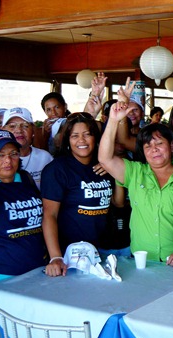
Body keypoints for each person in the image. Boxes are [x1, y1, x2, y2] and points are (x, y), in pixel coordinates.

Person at [99, 100, 173, 265]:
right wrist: (113, 120)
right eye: (147, 146)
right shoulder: (135, 172)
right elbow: (105, 159)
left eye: (160, 144)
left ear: (172, 146)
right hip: (141, 260)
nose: (154, 149)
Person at [41, 112, 114, 277]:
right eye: (75, 136)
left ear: (96, 138)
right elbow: (49, 215)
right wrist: (55, 257)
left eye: (87, 134)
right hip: (70, 256)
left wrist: (112, 168)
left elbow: (118, 202)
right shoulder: (57, 170)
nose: (81, 140)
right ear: (67, 140)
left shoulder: (103, 166)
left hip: (101, 252)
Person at [0, 130, 46, 281]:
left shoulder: (25, 179)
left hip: (37, 271)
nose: (8, 161)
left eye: (13, 154)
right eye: (0, 155)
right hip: (1, 277)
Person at [2, 107, 53, 189]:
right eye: (12, 126)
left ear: (33, 129)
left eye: (25, 126)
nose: (18, 130)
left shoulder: (45, 158)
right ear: (3, 130)